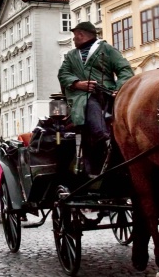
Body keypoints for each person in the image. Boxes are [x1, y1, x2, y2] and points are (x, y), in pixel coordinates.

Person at [57, 21, 134, 175]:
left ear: (81, 34)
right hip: (79, 98)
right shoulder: (71, 55)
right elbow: (63, 74)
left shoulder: (106, 49)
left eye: (75, 36)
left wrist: (119, 89)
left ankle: (104, 141)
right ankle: (102, 136)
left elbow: (125, 70)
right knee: (87, 102)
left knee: (92, 103)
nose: (73, 39)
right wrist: (78, 84)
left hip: (106, 94)